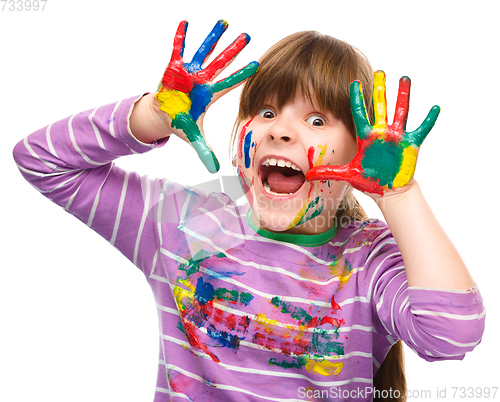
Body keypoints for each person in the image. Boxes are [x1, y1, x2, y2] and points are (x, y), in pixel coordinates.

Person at [13, 20, 484, 402]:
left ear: (356, 151)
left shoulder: (368, 260)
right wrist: (153, 115)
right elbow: (41, 160)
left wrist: (399, 195)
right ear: (240, 140)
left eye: (317, 120)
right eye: (264, 111)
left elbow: (452, 336)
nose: (281, 131)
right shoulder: (180, 224)